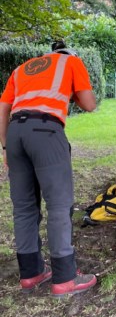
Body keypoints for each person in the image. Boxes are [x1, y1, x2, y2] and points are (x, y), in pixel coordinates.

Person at [0, 39, 98, 297]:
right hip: (45, 130)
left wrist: (5, 148)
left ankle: (31, 274)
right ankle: (65, 278)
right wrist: (75, 93)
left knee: (23, 207)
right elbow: (89, 104)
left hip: (15, 134)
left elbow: (3, 107)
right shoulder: (71, 62)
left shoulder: (22, 68)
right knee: (58, 204)